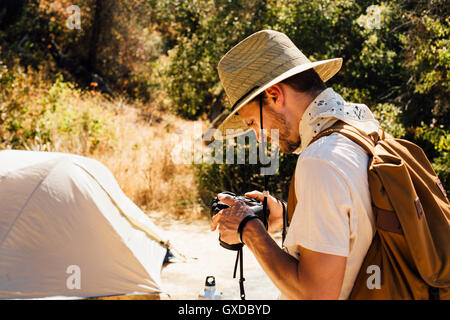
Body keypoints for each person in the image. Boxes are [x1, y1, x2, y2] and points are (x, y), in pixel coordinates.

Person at [210, 30, 381, 299]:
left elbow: (316, 294)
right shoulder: (364, 129)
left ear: (275, 95)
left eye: (253, 123)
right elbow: (360, 222)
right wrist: (290, 215)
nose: (259, 136)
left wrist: (249, 228)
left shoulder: (321, 161)